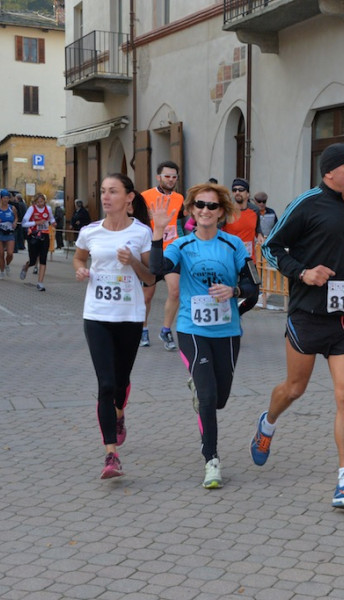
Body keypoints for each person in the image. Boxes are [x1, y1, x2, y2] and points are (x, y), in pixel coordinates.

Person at [250, 142, 344, 509]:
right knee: (294, 389)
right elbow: (272, 248)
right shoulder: (307, 203)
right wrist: (303, 273)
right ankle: (268, 422)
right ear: (330, 173)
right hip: (308, 316)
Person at [149, 183, 259, 488]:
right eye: (199, 205)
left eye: (212, 206)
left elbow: (253, 288)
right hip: (191, 329)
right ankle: (211, 460)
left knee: (220, 398)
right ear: (191, 210)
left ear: (221, 212)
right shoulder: (181, 246)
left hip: (227, 330)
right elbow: (155, 270)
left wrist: (233, 291)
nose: (205, 211)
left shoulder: (233, 245)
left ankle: (200, 386)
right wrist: (158, 233)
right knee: (209, 398)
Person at [73, 173, 155, 479]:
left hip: (130, 317)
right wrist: (81, 270)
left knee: (120, 382)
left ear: (129, 197)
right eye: (103, 191)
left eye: (113, 191)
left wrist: (133, 261)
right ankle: (111, 456)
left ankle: (120, 413)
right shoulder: (90, 231)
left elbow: (150, 278)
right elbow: (79, 258)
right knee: (105, 385)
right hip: (96, 316)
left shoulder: (142, 233)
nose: (106, 197)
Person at [140, 161, 185, 350]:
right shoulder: (145, 196)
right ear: (158, 177)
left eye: (174, 177)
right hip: (152, 250)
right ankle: (143, 329)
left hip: (172, 250)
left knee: (175, 291)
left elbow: (181, 224)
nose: (171, 180)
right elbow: (138, 224)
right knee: (147, 296)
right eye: (167, 176)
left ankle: (166, 330)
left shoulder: (180, 198)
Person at [223, 178, 260, 314]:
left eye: (241, 190)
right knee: (227, 292)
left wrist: (260, 235)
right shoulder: (226, 212)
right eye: (234, 190)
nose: (237, 192)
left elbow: (256, 228)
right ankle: (226, 321)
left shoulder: (255, 210)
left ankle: (237, 314)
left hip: (249, 260)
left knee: (254, 295)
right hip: (229, 259)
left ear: (248, 194)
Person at [20, 193, 55, 291]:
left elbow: (51, 218)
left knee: (43, 259)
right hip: (34, 236)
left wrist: (53, 223)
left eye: (42, 201)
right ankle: (26, 267)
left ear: (45, 201)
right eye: (38, 202)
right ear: (35, 202)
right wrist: (36, 223)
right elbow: (24, 223)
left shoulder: (48, 209)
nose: (40, 204)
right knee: (33, 260)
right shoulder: (31, 209)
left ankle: (40, 283)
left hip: (44, 235)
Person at [0, 189, 18, 278]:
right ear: (1, 199)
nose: (6, 200)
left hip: (9, 232)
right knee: (1, 253)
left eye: (7, 198)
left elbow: (16, 218)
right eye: (4, 198)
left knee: (10, 253)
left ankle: (7, 264)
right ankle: (2, 271)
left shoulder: (12, 208)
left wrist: (14, 222)